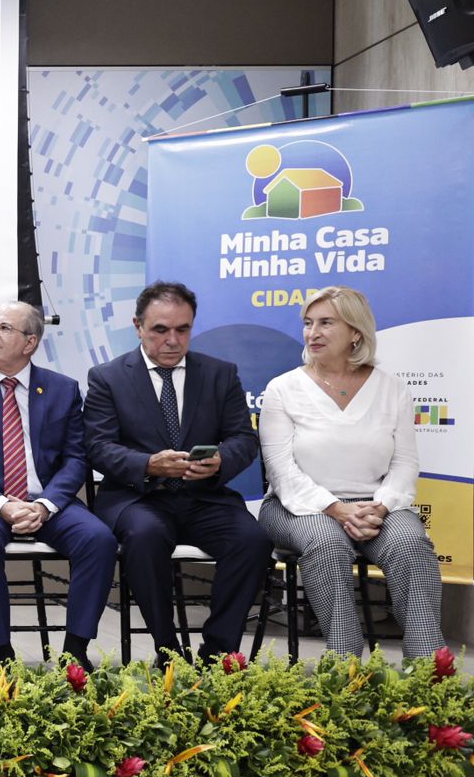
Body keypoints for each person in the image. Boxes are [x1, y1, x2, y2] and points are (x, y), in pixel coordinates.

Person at [84, 281, 271, 664]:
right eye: (160, 330)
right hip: (139, 499)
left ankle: (218, 652)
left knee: (252, 541)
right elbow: (97, 448)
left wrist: (220, 461)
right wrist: (148, 464)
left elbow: (243, 439)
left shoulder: (220, 374)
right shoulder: (108, 377)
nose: (172, 340)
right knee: (145, 535)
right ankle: (168, 649)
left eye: (182, 329)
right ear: (138, 326)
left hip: (205, 497)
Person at [258, 286, 444, 659]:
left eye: (326, 323)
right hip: (297, 506)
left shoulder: (392, 389)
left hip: (375, 506)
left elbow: (405, 463)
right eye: (309, 324)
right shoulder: (283, 389)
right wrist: (336, 509)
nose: (313, 333)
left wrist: (382, 506)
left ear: (356, 331)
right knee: (326, 544)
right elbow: (282, 472)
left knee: (411, 544)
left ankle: (429, 669)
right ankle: (346, 668)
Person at [0, 301, 116, 670]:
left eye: (4, 328)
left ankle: (75, 652)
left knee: (99, 540)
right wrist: (2, 505)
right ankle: (2, 653)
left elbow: (75, 459)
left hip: (47, 502)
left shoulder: (62, 389)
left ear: (30, 342)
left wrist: (45, 505)